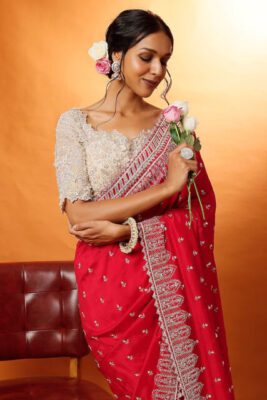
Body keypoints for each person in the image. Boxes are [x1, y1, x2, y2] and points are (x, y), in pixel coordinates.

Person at [54, 8, 235, 400]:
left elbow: (198, 216)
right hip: (107, 289)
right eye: (147, 56)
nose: (157, 70)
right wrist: (165, 187)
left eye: (164, 60)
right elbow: (78, 214)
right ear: (117, 55)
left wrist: (126, 230)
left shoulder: (173, 128)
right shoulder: (74, 124)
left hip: (164, 284)